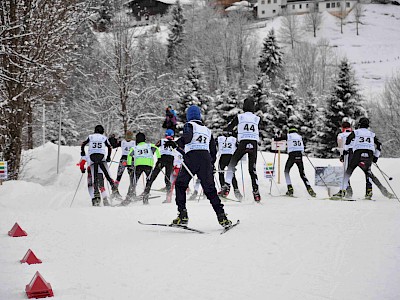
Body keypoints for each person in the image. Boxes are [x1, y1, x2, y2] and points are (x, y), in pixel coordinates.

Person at [165, 105, 232, 228]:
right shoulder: (207, 130)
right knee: (210, 190)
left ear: (189, 116)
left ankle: (182, 215)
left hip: (192, 158)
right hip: (205, 160)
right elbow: (213, 150)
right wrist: (211, 165)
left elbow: (187, 138)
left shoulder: (189, 125)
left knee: (180, 184)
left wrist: (176, 143)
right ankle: (222, 216)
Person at [337, 120, 394, 199]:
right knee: (369, 173)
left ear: (359, 125)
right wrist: (376, 157)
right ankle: (370, 192)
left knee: (348, 172)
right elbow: (379, 145)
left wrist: (344, 152)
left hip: (357, 154)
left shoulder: (356, 132)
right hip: (369, 154)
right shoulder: (371, 134)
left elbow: (348, 140)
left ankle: (343, 191)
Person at [220, 98, 261, 202]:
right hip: (254, 144)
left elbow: (230, 127)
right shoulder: (257, 118)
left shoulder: (240, 117)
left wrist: (227, 131)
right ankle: (256, 193)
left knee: (231, 165)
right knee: (252, 169)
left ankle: (226, 188)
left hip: (243, 143)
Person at [80, 125, 116, 206]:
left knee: (93, 179)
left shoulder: (90, 137)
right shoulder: (103, 137)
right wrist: (108, 157)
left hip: (92, 159)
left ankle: (95, 196)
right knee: (104, 176)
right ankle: (112, 188)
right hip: (101, 157)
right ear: (102, 131)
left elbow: (83, 144)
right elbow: (109, 147)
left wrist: (82, 152)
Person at [122, 132, 160, 205]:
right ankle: (145, 198)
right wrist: (159, 159)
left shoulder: (134, 148)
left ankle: (128, 198)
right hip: (148, 166)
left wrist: (129, 165)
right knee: (149, 182)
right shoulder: (150, 146)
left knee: (133, 182)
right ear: (144, 139)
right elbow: (157, 149)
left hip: (138, 166)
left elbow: (129, 156)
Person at [278, 127, 316, 197]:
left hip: (292, 155)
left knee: (286, 171)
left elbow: (279, 138)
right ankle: (309, 188)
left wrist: (277, 135)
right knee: (302, 174)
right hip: (300, 155)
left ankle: (290, 188)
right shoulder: (299, 136)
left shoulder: (289, 136)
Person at [141, 129, 175, 201]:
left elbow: (154, 148)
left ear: (166, 135)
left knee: (153, 176)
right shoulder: (174, 142)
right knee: (167, 178)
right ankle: (168, 197)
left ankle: (146, 194)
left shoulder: (162, 140)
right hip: (170, 160)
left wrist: (149, 155)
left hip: (162, 159)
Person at [217, 135, 243, 200]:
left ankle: (225, 189)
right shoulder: (233, 139)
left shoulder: (220, 138)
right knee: (231, 174)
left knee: (221, 173)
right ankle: (235, 190)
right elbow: (240, 148)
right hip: (230, 157)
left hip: (223, 157)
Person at [112, 131, 136, 199]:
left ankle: (114, 191)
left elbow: (114, 145)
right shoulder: (134, 143)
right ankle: (132, 193)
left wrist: (113, 139)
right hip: (131, 160)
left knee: (119, 176)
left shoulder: (122, 142)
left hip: (123, 160)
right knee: (132, 177)